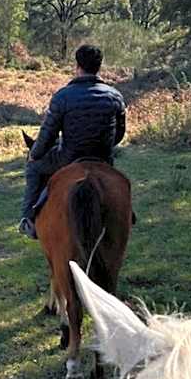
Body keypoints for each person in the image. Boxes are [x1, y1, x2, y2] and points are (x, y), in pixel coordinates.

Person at [19, 44, 126, 239]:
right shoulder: (115, 96)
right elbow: (118, 134)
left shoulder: (63, 96)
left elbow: (48, 135)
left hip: (69, 158)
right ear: (99, 66)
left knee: (33, 168)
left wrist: (34, 155)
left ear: (77, 66)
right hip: (103, 159)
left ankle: (28, 219)